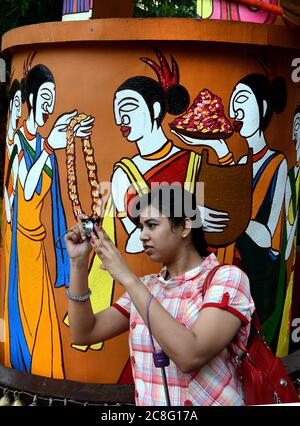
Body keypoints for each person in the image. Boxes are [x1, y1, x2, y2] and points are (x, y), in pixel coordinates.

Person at [66, 185, 255, 406]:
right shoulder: (148, 287)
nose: (143, 236)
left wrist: (128, 278)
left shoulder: (227, 278)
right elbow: (83, 333)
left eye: (152, 225)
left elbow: (190, 355)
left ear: (185, 226)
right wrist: (78, 263)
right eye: (141, 228)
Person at [4, 58, 94, 377]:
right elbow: (27, 189)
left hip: (39, 241)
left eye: (52, 100)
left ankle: (46, 374)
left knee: (43, 315)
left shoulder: (43, 142)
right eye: (45, 99)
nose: (49, 105)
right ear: (29, 100)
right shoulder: (18, 143)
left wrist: (67, 134)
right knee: (28, 313)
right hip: (22, 244)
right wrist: (48, 149)